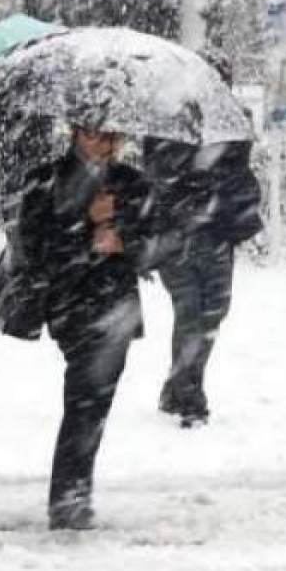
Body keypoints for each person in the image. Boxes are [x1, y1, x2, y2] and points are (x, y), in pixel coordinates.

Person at [15, 117, 177, 530]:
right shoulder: (46, 180)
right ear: (74, 132)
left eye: (113, 136)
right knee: (85, 400)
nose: (104, 145)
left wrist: (123, 238)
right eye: (94, 135)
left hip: (116, 307)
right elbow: (37, 249)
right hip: (71, 304)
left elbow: (158, 245)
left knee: (92, 404)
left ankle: (73, 493)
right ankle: (69, 496)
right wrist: (87, 232)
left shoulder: (132, 184)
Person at [151, 51, 263, 428]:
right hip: (178, 234)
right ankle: (191, 396)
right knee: (189, 311)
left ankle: (178, 382)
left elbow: (239, 173)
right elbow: (158, 176)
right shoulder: (166, 119)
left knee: (212, 312)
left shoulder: (237, 121)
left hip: (217, 233)